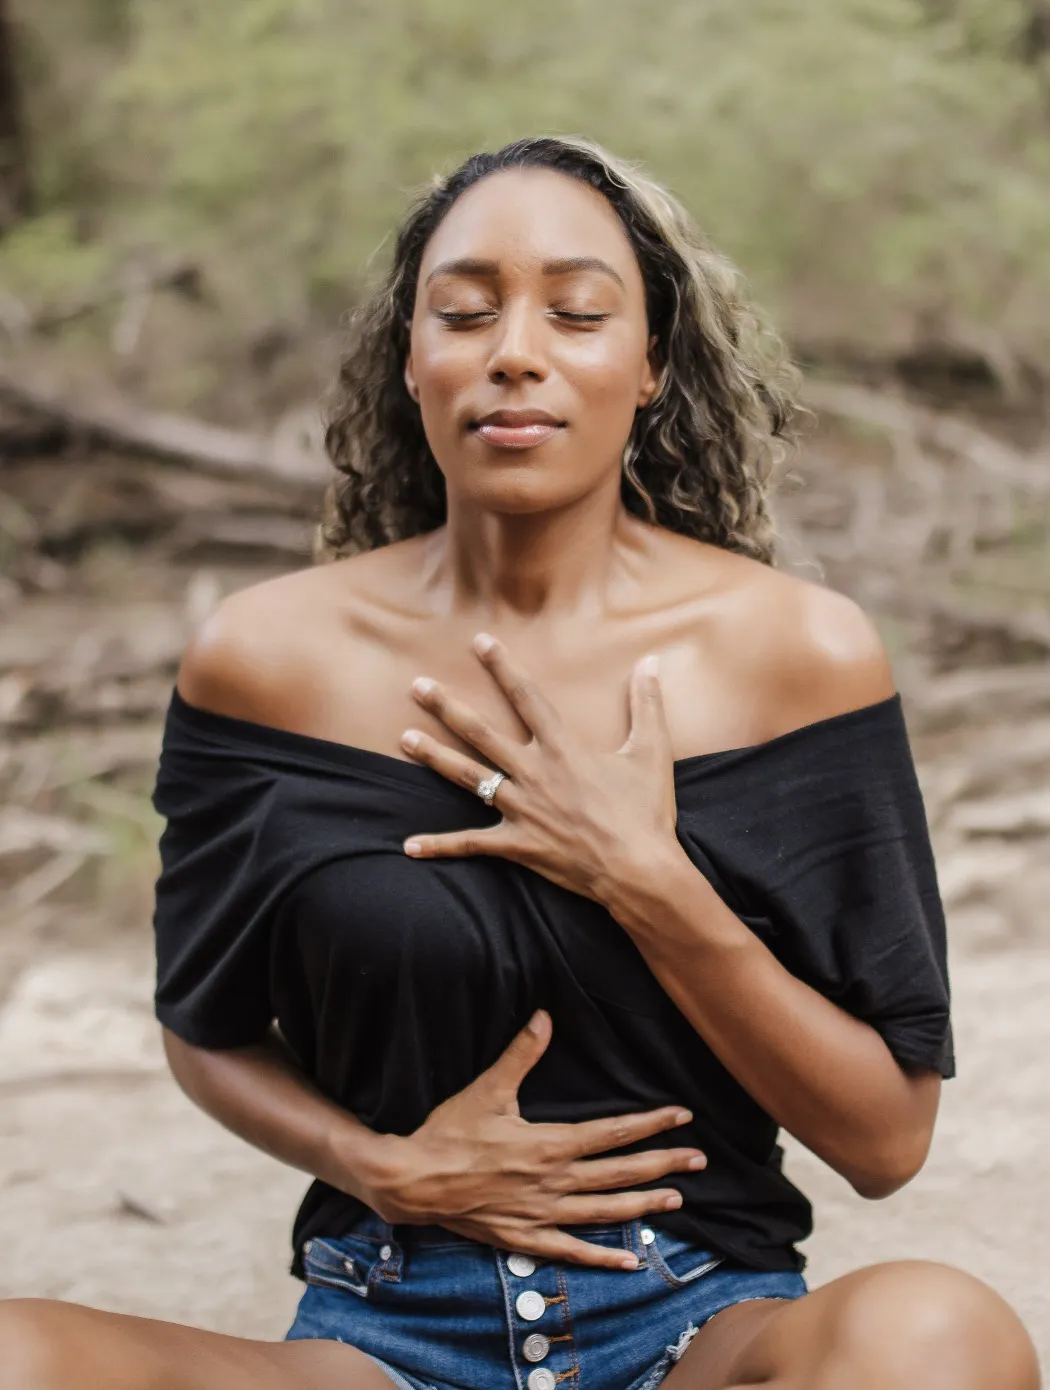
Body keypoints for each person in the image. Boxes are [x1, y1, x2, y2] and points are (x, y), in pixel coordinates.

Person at [0, 136, 1039, 1390]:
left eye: (579, 310)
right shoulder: (265, 659)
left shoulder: (793, 654)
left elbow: (885, 1136)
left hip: (695, 1319)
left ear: (651, 363)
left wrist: (646, 877)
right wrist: (380, 1166)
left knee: (938, 1333)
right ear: (412, 360)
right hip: (382, 1334)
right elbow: (205, 1026)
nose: (515, 350)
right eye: (466, 312)